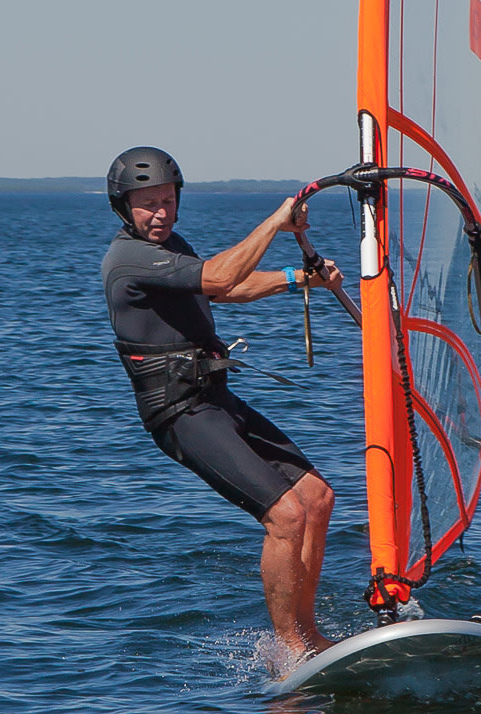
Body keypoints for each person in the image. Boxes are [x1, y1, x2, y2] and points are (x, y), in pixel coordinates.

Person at [100, 146, 347, 664]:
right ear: (124, 207)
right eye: (147, 204)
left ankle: (309, 634)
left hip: (214, 396)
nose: (160, 213)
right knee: (284, 516)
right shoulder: (129, 259)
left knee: (317, 498)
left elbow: (223, 290)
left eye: (167, 200)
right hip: (179, 412)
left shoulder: (172, 246)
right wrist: (276, 221)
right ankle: (289, 649)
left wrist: (298, 278)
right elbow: (218, 277)